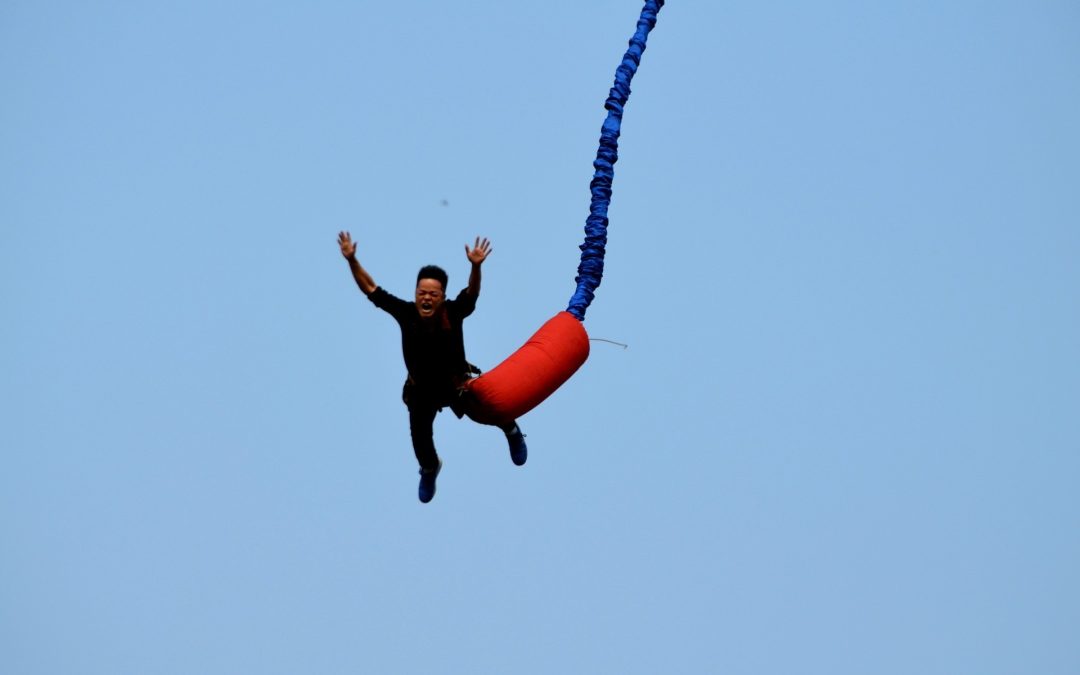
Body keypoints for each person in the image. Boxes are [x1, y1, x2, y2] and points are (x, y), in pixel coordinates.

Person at [337, 231, 528, 503]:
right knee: (420, 440)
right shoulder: (405, 312)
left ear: (442, 296)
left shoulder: (454, 311)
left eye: (432, 294)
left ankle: (512, 431)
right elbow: (371, 289)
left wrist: (475, 267)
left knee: (491, 405)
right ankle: (430, 468)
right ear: (415, 294)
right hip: (422, 391)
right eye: (421, 293)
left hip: (456, 384)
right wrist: (352, 260)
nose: (426, 298)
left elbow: (472, 293)